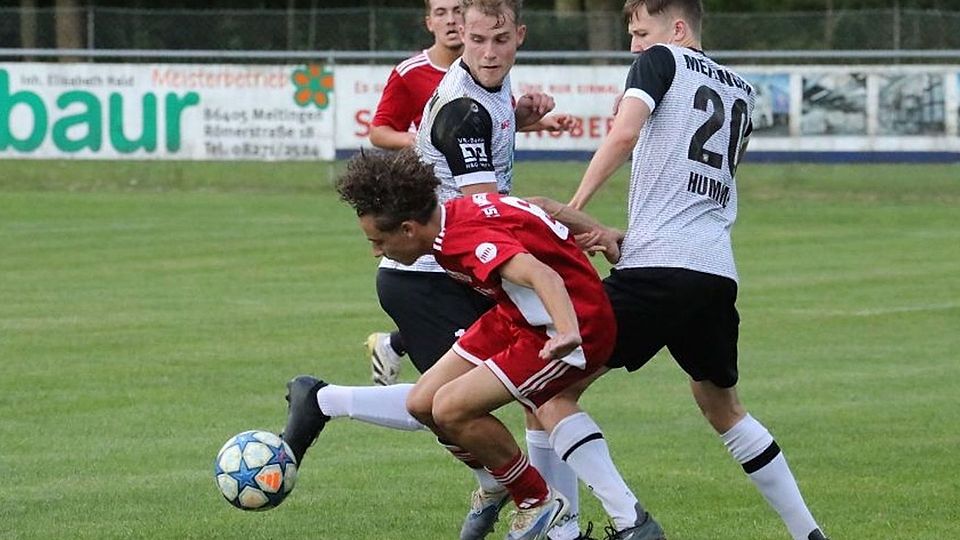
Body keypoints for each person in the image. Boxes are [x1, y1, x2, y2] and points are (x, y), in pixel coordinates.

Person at [284, 2, 623, 539]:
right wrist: (571, 243)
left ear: (519, 36)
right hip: (436, 270)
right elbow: (490, 216)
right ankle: (539, 506)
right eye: (478, 39)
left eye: (501, 39)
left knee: (482, 401)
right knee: (463, 403)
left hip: (462, 265)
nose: (490, 52)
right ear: (459, 35)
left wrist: (525, 122)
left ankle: (533, 505)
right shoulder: (462, 111)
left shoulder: (486, 94)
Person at [527, 1, 830, 539]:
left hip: (661, 271)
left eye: (641, 31)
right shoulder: (740, 88)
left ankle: (612, 523)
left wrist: (571, 209)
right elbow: (687, 191)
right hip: (713, 272)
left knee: (547, 392)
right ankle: (809, 532)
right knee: (722, 406)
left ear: (678, 29)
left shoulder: (662, 60)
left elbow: (623, 136)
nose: (634, 45)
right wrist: (624, 239)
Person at [332, 148, 620, 540]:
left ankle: (537, 500)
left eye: (379, 241)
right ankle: (499, 477)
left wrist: (568, 331)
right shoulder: (458, 211)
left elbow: (542, 275)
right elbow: (541, 205)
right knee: (421, 402)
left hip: (571, 326)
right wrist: (602, 230)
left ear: (408, 230)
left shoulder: (462, 241)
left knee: (450, 409)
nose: (376, 252)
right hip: (515, 316)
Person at [365, 0, 466, 386]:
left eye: (458, 10)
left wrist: (534, 120)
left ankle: (393, 344)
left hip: (477, 212)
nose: (451, 19)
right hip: (434, 218)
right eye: (441, 12)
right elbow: (379, 130)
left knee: (485, 320)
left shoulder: (484, 68)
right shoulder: (411, 73)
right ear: (429, 22)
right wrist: (419, 140)